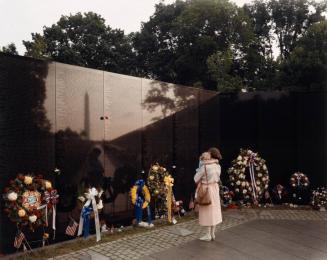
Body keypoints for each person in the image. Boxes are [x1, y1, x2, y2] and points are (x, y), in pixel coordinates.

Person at [194, 147, 222, 241]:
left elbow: (195, 179)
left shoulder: (205, 167)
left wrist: (199, 168)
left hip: (206, 189)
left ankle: (207, 235)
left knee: (207, 211)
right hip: (215, 188)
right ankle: (213, 234)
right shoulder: (218, 166)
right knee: (214, 210)